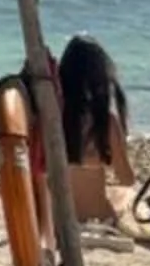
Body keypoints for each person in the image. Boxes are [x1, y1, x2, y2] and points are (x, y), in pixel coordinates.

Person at [56, 34, 134, 224]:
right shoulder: (106, 123)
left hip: (60, 219)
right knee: (124, 195)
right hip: (99, 216)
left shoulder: (53, 120)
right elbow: (127, 178)